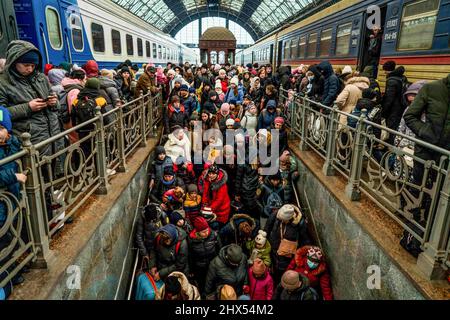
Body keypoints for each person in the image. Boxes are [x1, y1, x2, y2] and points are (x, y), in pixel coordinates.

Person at [0, 40, 64, 163]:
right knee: (37, 174)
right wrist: (28, 107)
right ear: (14, 61)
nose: (30, 69)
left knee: (57, 169)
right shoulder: (3, 82)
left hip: (54, 135)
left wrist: (54, 102)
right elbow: (1, 114)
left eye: (33, 65)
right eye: (26, 65)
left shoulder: (41, 78)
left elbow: (55, 102)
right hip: (29, 140)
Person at [404, 74, 450, 223]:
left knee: (439, 194)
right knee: (418, 189)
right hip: (425, 151)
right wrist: (426, 132)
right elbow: (410, 116)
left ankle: (428, 230)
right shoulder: (431, 88)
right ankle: (412, 230)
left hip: (446, 157)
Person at [0, 107, 28, 288]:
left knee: (12, 230)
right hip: (4, 200)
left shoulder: (12, 143)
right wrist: (14, 176)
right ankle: (9, 276)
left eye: (1, 128)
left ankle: (16, 265)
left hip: (11, 197)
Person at [265, 204, 311, 283]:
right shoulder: (277, 215)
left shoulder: (299, 224)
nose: (281, 221)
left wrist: (306, 252)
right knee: (274, 268)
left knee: (284, 271)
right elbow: (267, 228)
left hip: (287, 255)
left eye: (284, 220)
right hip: (274, 248)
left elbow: (304, 239)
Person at [188, 216, 222, 293]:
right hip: (200, 268)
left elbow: (219, 250)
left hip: (212, 265)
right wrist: (191, 270)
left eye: (207, 230)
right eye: (203, 232)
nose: (206, 233)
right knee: (202, 285)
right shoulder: (191, 239)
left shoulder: (214, 235)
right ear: (198, 231)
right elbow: (190, 256)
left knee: (213, 283)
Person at [381, 61, 408, 145]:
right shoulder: (402, 78)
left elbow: (389, 99)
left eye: (385, 70)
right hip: (401, 107)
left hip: (393, 110)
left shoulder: (391, 80)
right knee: (397, 127)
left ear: (388, 70)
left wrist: (383, 112)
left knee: (390, 129)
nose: (384, 72)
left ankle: (388, 147)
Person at [201, 164, 231, 229]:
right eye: (210, 173)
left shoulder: (222, 185)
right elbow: (205, 193)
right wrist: (204, 204)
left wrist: (208, 209)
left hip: (221, 210)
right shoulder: (207, 181)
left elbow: (219, 200)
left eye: (213, 173)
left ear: (217, 174)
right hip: (212, 207)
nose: (211, 175)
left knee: (216, 225)